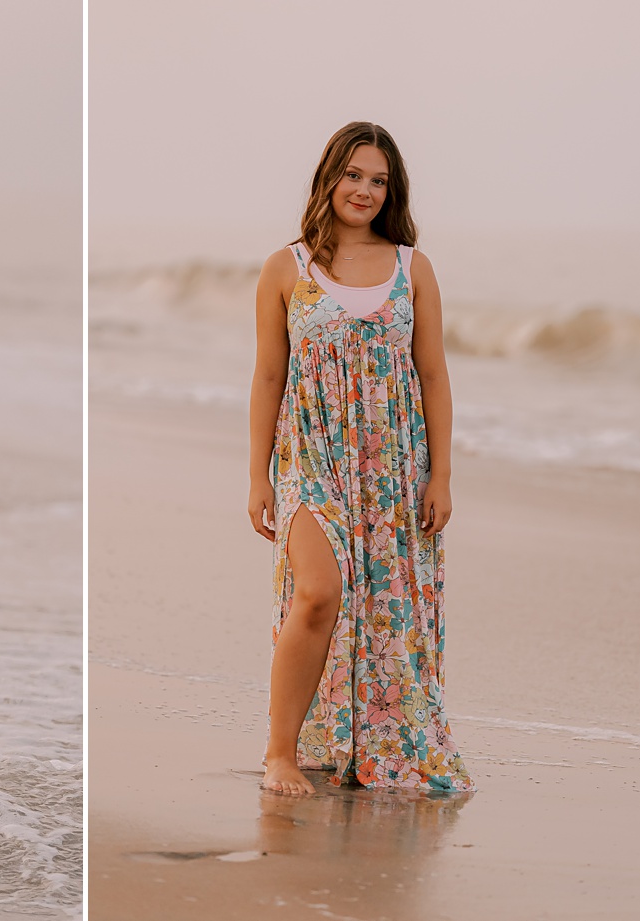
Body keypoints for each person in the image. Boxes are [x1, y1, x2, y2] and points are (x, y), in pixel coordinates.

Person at [246, 122, 475, 795]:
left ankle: (370, 736)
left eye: (378, 179)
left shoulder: (413, 268)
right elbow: (267, 378)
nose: (365, 190)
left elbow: (433, 375)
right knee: (318, 593)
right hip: (312, 455)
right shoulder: (285, 268)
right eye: (354, 175)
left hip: (392, 464)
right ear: (329, 177)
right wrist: (257, 474)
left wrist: (442, 474)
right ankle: (279, 752)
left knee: (385, 606)